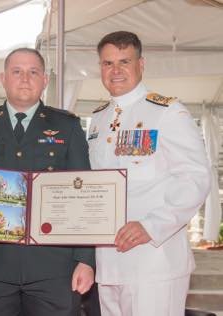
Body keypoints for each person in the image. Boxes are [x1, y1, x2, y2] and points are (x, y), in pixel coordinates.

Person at [0, 48, 96, 316]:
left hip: (54, 266)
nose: (25, 78)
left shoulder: (68, 125)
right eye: (16, 71)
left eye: (33, 72)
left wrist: (85, 260)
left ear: (45, 80)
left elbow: (83, 193)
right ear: (3, 78)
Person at [88, 31, 211, 316]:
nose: (115, 71)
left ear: (141, 64)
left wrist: (152, 225)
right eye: (107, 64)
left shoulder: (167, 112)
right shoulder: (99, 119)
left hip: (155, 260)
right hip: (108, 263)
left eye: (124, 61)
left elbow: (195, 177)